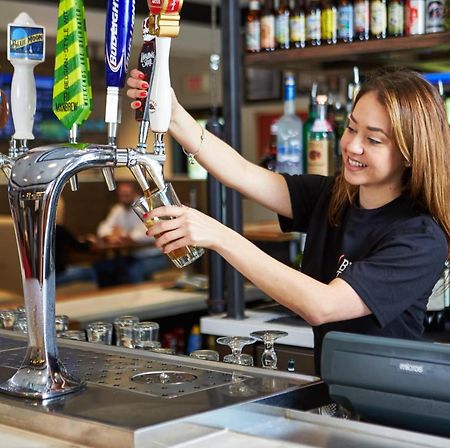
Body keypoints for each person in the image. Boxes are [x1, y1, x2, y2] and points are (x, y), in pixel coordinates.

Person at [127, 67, 450, 374]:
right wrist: (172, 112)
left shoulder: (420, 237)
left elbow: (322, 305)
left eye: (373, 140)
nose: (352, 146)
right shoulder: (333, 196)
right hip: (336, 393)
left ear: (410, 153)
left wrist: (219, 236)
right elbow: (241, 173)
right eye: (351, 128)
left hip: (391, 407)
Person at [96, 182, 168, 285]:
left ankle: (141, 300)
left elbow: (147, 233)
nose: (123, 197)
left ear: (135, 193)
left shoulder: (145, 206)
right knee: (104, 267)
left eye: (126, 194)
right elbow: (103, 228)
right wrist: (109, 236)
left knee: (133, 272)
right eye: (121, 195)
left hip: (153, 256)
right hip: (133, 256)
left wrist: (122, 235)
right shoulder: (118, 208)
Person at [55, 197, 98, 286]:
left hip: (39, 278)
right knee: (91, 271)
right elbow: (80, 247)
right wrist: (89, 242)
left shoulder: (35, 230)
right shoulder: (59, 230)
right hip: (56, 276)